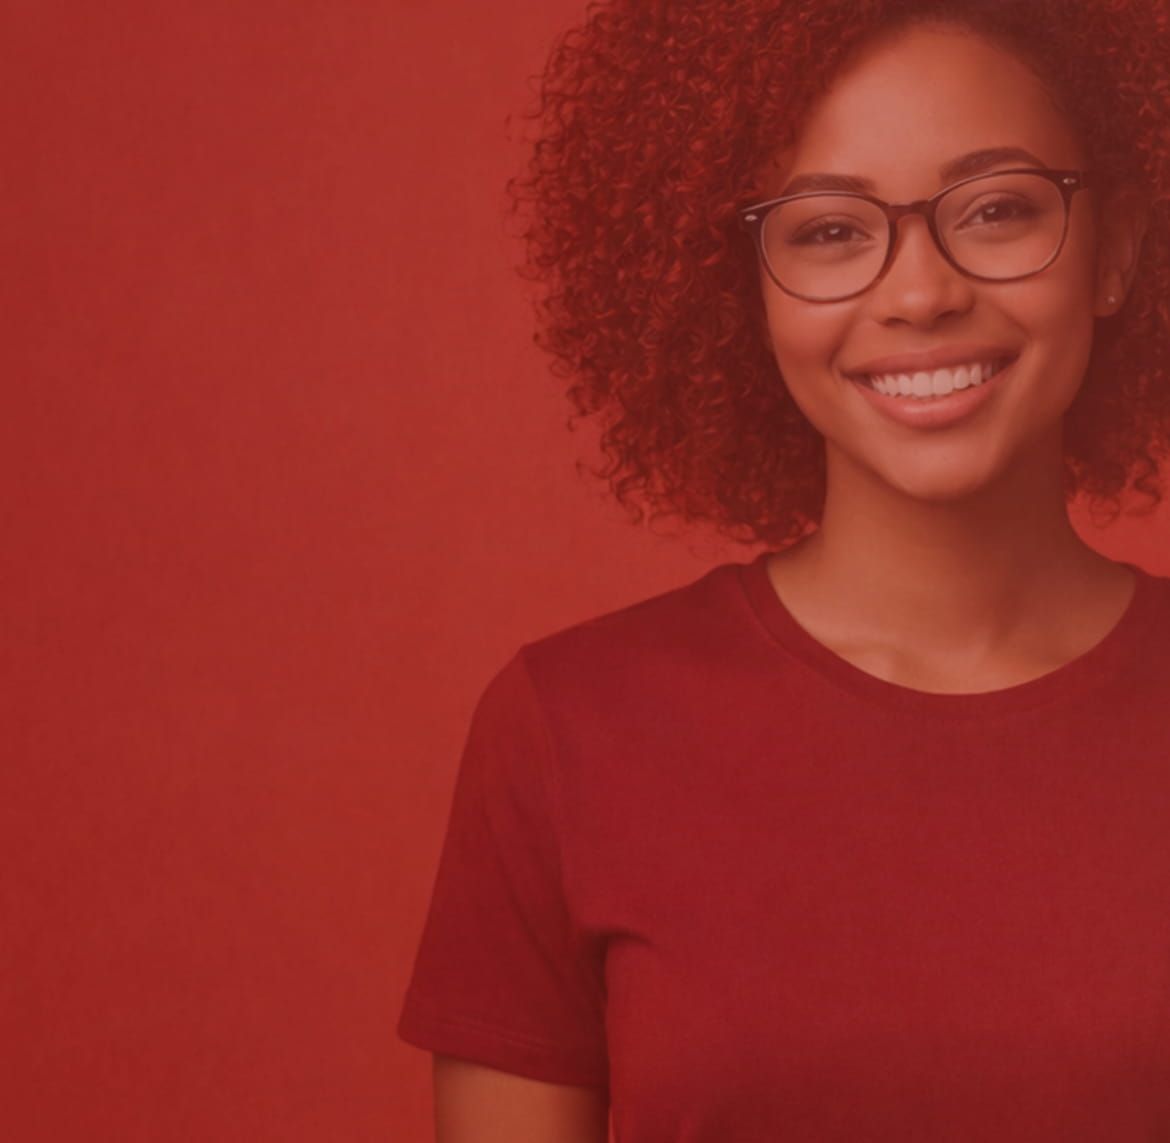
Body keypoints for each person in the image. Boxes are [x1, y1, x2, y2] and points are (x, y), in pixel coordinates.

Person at [399, 0, 1170, 1137]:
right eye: (828, 231)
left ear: (1116, 251)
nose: (919, 294)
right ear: (741, 289)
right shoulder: (569, 731)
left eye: (998, 209)